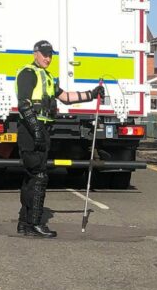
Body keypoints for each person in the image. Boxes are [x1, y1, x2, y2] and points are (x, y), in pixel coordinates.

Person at [15, 40, 105, 238]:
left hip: (41, 130)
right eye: (44, 54)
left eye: (50, 55)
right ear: (35, 53)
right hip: (30, 131)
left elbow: (65, 96)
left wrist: (92, 94)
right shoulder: (28, 73)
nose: (48, 58)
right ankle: (35, 223)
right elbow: (23, 104)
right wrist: (36, 130)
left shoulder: (47, 77)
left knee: (32, 176)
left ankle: (24, 222)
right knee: (39, 176)